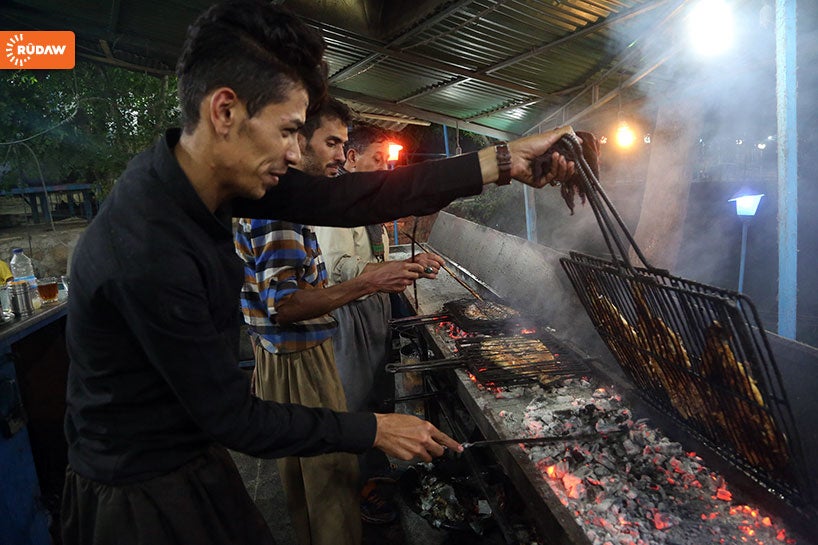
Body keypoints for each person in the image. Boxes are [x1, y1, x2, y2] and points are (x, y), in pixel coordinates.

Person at [60, 1, 576, 544]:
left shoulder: (200, 181)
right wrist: (373, 429)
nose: (293, 153)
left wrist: (501, 161)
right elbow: (234, 418)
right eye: (288, 130)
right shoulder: (150, 249)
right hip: (140, 494)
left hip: (186, 455)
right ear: (225, 111)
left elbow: (351, 198)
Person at [235, 98, 437, 545]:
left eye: (342, 145)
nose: (339, 156)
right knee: (327, 476)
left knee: (322, 472)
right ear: (296, 141)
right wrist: (370, 281)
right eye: (331, 143)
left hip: (299, 349)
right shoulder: (282, 208)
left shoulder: (294, 200)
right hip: (297, 358)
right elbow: (284, 305)